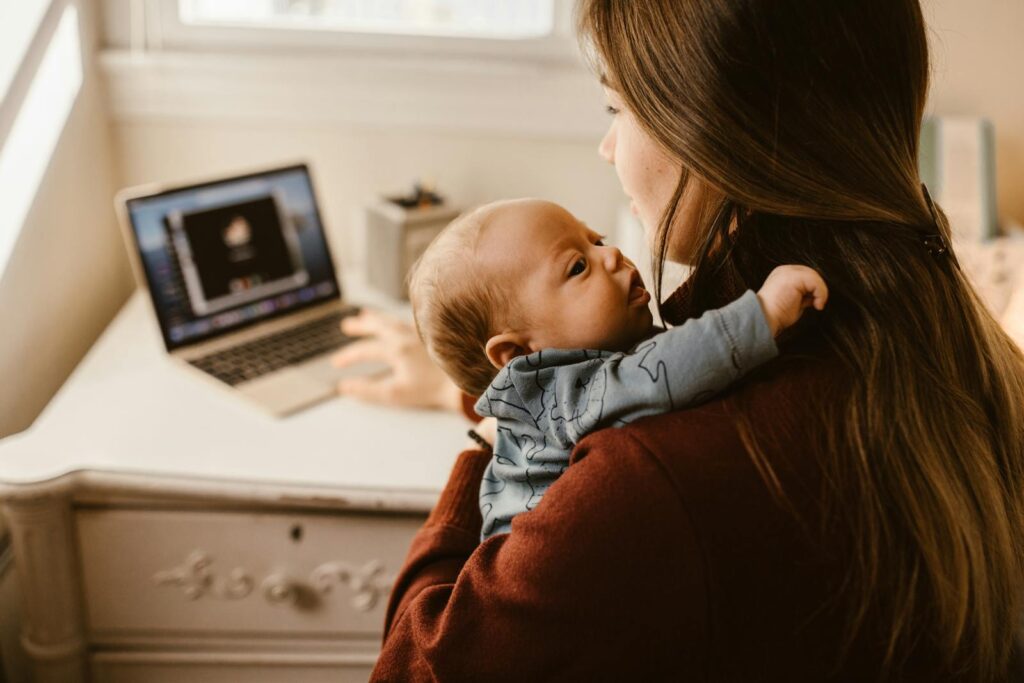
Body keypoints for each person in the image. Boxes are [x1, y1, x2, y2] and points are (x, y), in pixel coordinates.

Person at [332, 1, 1024, 679]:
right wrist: (504, 395)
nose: (608, 149)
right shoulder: (947, 337)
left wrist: (483, 447)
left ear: (721, 131)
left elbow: (416, 662)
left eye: (617, 111)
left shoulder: (638, 485)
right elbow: (650, 368)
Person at [406, 197, 828, 540]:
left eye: (597, 240)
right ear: (519, 355)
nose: (610, 255)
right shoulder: (559, 388)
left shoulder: (598, 366)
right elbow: (660, 372)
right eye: (577, 266)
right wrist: (763, 313)